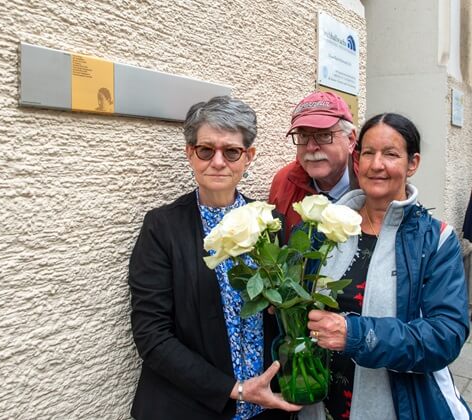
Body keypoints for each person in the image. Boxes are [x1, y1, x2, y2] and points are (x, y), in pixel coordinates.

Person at [128, 96, 301, 420]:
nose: (218, 162)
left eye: (231, 151)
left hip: (267, 408)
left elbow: (287, 314)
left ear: (248, 156)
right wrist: (233, 389)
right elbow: (152, 335)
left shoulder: (270, 223)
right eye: (206, 150)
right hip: (189, 407)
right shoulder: (162, 227)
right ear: (190, 153)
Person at [301, 113, 471, 419]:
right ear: (357, 161)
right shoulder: (324, 228)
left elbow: (445, 335)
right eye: (368, 153)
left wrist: (356, 334)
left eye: (391, 154)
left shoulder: (435, 240)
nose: (376, 165)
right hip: (321, 404)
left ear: (412, 163)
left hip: (396, 404)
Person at [269, 91, 359, 232]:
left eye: (323, 135)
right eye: (303, 135)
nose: (311, 147)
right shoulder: (284, 181)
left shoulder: (372, 183)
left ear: (351, 140)